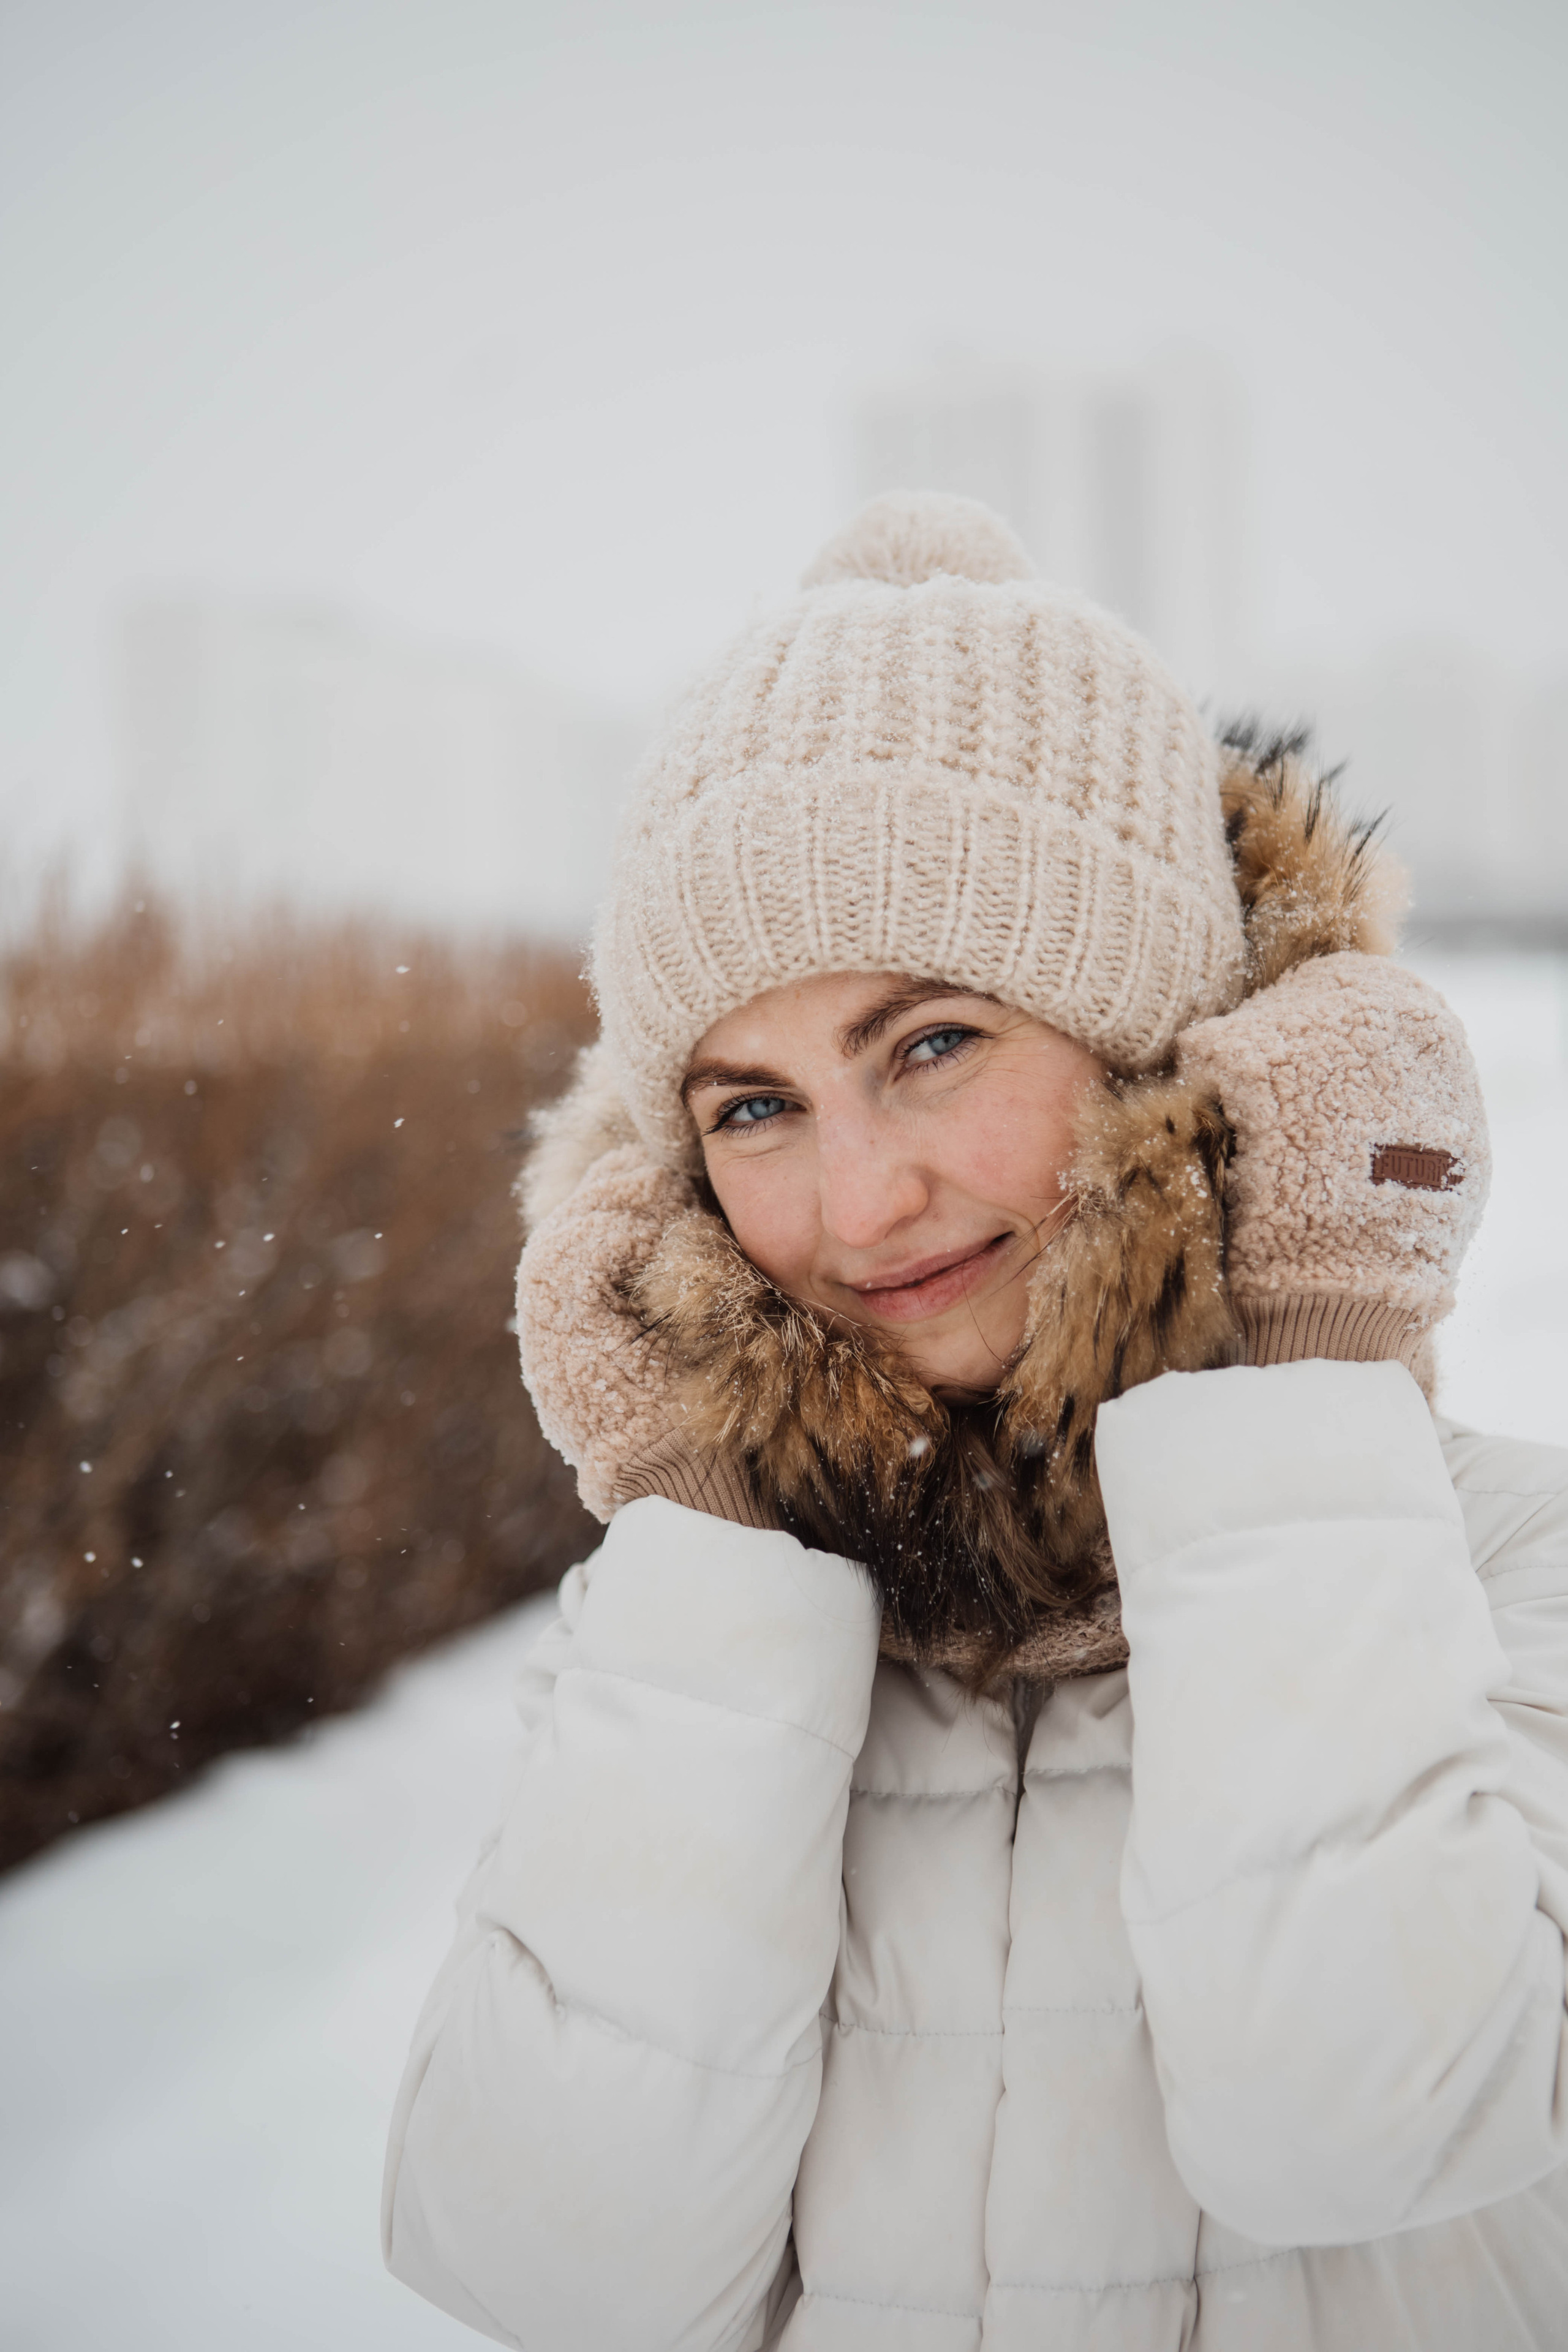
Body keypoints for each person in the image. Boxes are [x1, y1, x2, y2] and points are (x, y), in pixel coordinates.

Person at [382, 493, 1568, 2349]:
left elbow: (1361, 2121)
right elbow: (558, 2272)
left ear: (1162, 1042)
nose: (859, 1208)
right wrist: (709, 1516)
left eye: (932, 1044)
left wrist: (1294, 1365)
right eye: (753, 1109)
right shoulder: (697, 1616)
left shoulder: (1510, 1575)